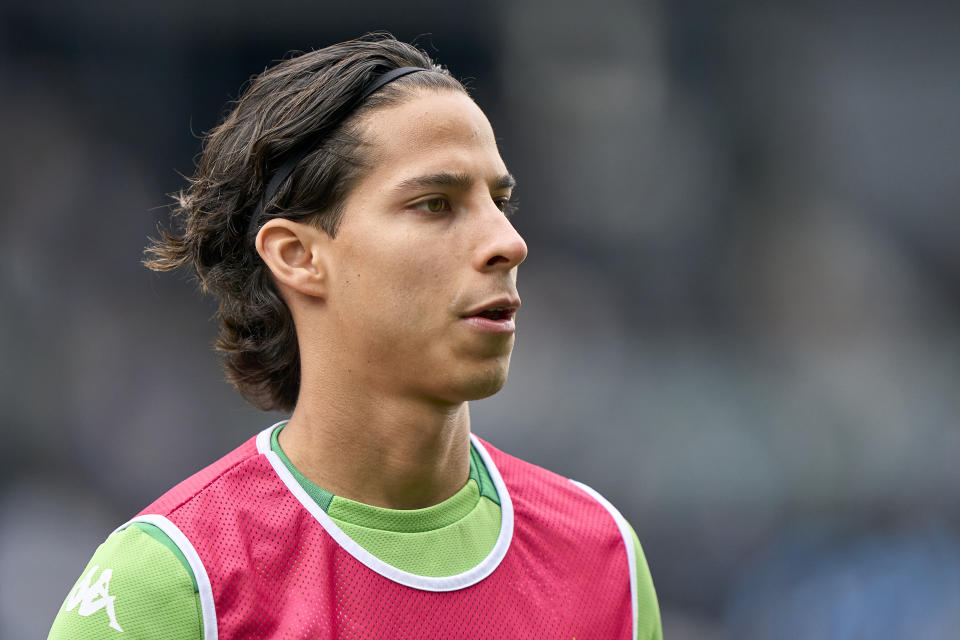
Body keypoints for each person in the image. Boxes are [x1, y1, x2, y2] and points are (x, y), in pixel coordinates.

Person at [48, 34, 662, 640]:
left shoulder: (602, 553)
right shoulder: (174, 584)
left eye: (500, 201)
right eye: (435, 204)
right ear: (298, 257)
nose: (508, 242)